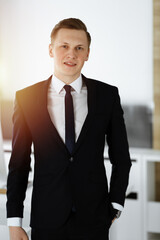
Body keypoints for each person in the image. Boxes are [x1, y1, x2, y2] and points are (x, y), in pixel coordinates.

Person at [6, 18, 131, 240]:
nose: (71, 54)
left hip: (95, 219)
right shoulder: (26, 98)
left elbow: (121, 157)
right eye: (64, 46)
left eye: (79, 48)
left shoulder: (107, 96)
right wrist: (15, 221)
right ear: (51, 50)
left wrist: (115, 203)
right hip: (47, 219)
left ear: (87, 54)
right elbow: (19, 164)